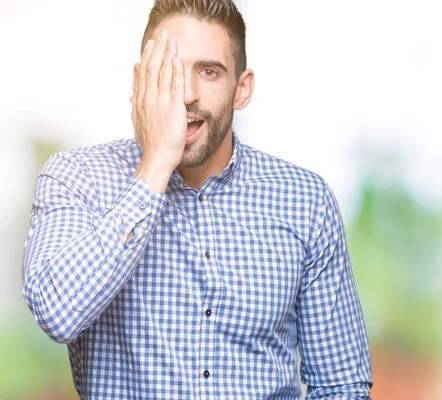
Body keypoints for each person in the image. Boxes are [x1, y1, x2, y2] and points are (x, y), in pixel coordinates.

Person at [22, 0, 373, 398]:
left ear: (242, 90)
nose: (187, 94)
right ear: (140, 82)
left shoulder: (306, 201)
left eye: (209, 72)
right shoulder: (75, 179)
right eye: (170, 71)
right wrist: (156, 164)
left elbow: (341, 384)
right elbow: (56, 313)